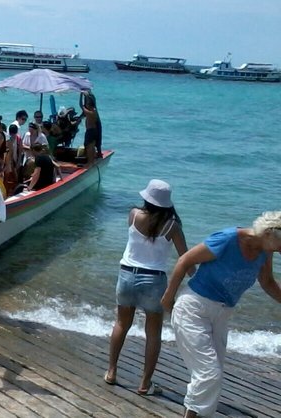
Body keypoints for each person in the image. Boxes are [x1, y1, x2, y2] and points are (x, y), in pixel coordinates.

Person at [161, 211, 281, 418]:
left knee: (211, 376)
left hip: (222, 313)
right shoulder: (228, 239)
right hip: (194, 308)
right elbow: (185, 260)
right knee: (209, 373)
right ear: (270, 233)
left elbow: (267, 282)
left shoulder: (264, 251)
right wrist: (168, 297)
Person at [105, 179, 191, 397]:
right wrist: (199, 280)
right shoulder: (172, 225)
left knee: (121, 324)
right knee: (153, 333)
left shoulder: (133, 215)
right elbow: (185, 258)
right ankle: (144, 384)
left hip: (126, 275)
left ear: (147, 198)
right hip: (153, 281)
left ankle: (111, 372)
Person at [80, 91, 102, 165]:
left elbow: (81, 105)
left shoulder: (89, 113)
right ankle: (92, 160)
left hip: (90, 131)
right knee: (91, 146)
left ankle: (90, 162)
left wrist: (81, 95)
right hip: (94, 130)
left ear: (90, 105)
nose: (86, 104)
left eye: (87, 103)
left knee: (89, 146)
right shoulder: (94, 111)